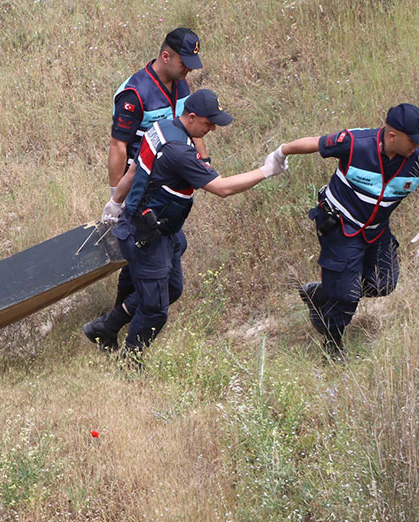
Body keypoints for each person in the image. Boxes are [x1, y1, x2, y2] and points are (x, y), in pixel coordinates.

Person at [84, 89, 287, 357]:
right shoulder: (179, 152)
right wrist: (265, 171)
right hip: (146, 235)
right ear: (191, 117)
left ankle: (106, 327)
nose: (213, 127)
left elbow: (134, 170)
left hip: (161, 228)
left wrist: (117, 201)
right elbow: (222, 188)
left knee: (171, 288)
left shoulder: (159, 128)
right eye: (208, 122)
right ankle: (130, 360)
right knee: (155, 310)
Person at [276, 103, 419, 356]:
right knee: (347, 297)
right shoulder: (355, 143)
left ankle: (322, 292)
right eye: (412, 140)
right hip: (340, 226)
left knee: (384, 283)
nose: (417, 146)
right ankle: (333, 347)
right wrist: (281, 153)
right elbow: (316, 143)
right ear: (393, 136)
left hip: (376, 230)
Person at [104, 28, 209, 310]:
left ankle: (126, 310)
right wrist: (117, 199)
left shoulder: (180, 84)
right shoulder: (134, 93)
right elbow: (118, 147)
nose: (189, 68)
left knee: (163, 243)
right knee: (149, 244)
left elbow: (191, 124)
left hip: (166, 184)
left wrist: (203, 161)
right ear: (165, 56)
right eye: (184, 62)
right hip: (139, 185)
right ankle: (124, 312)